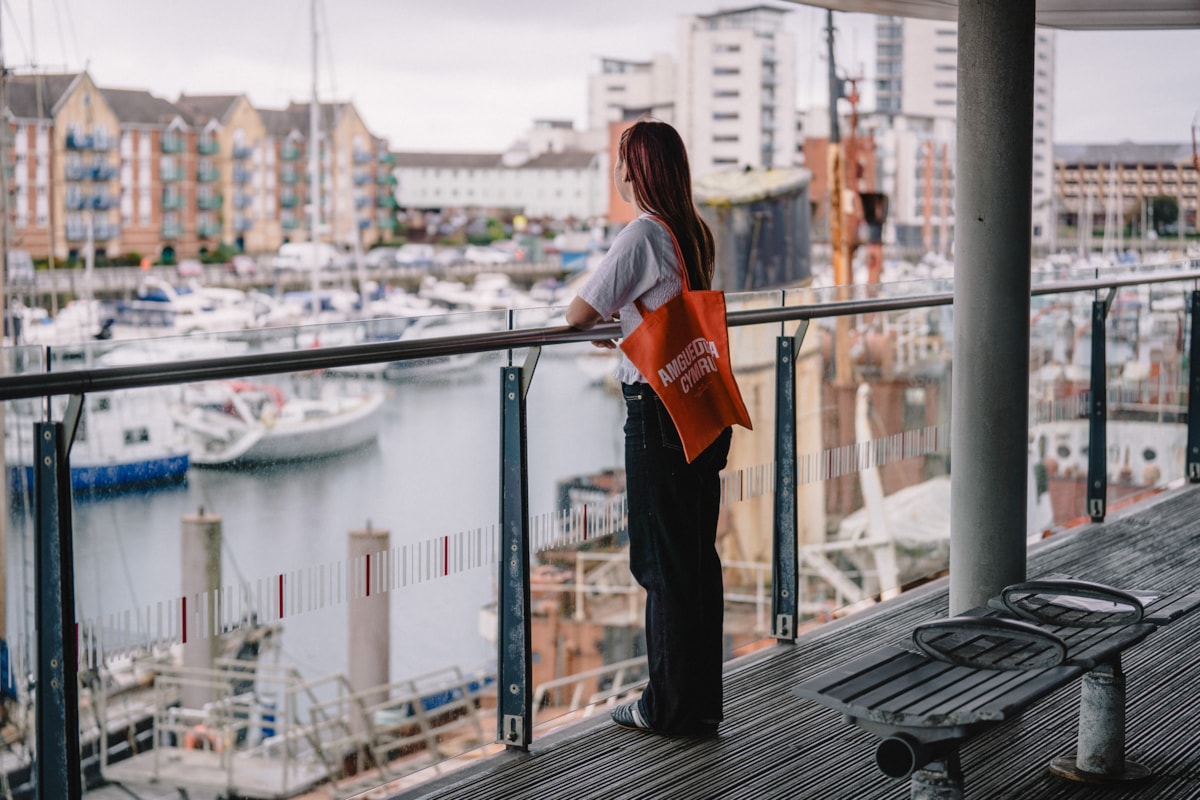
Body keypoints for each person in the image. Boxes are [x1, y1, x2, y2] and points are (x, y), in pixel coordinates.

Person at [566, 119, 731, 737]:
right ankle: (700, 703)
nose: (619, 172)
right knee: (694, 558)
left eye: (622, 162)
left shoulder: (642, 234)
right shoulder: (694, 233)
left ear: (634, 172)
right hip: (699, 409)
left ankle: (667, 709)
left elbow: (578, 311)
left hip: (657, 412)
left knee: (660, 566)